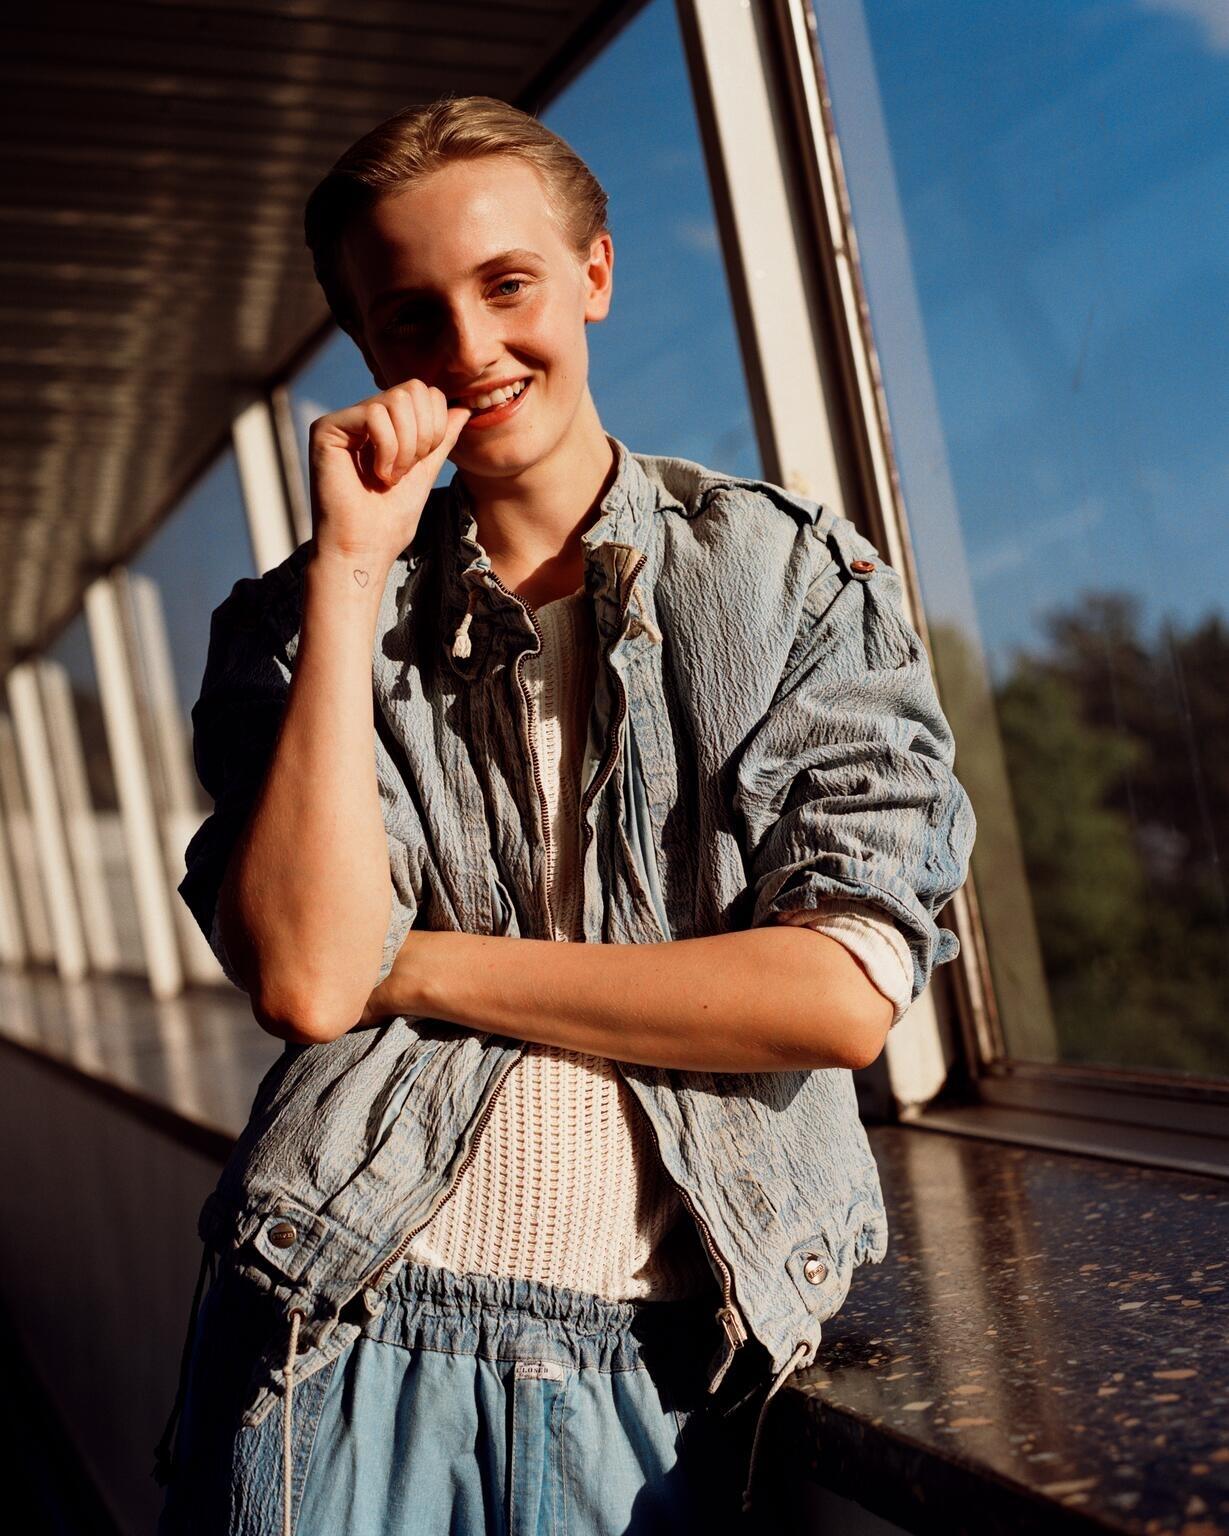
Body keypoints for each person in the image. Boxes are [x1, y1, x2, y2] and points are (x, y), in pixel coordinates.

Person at [153, 94, 976, 1535]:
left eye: (507, 284)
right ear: (365, 347)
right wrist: (351, 576)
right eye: (410, 316)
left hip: (655, 1377)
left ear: (594, 274)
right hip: (335, 1333)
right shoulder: (296, 626)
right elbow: (307, 976)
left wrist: (412, 967)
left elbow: (840, 993)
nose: (468, 347)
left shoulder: (788, 582)